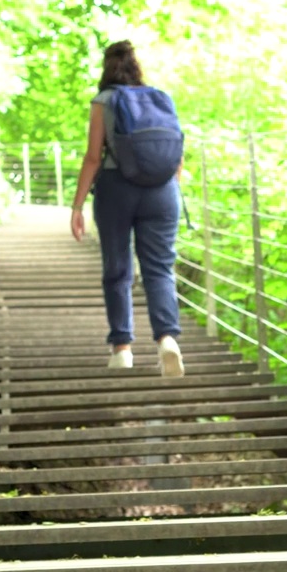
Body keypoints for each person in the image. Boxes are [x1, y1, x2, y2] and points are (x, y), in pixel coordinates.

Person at [70, 39, 185, 376]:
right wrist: (169, 191)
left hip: (116, 188)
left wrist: (77, 206)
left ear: (107, 67)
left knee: (118, 268)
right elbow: (177, 155)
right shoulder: (161, 98)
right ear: (137, 67)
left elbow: (93, 157)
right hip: (163, 192)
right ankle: (167, 339)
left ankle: (122, 349)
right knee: (160, 269)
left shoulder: (104, 101)